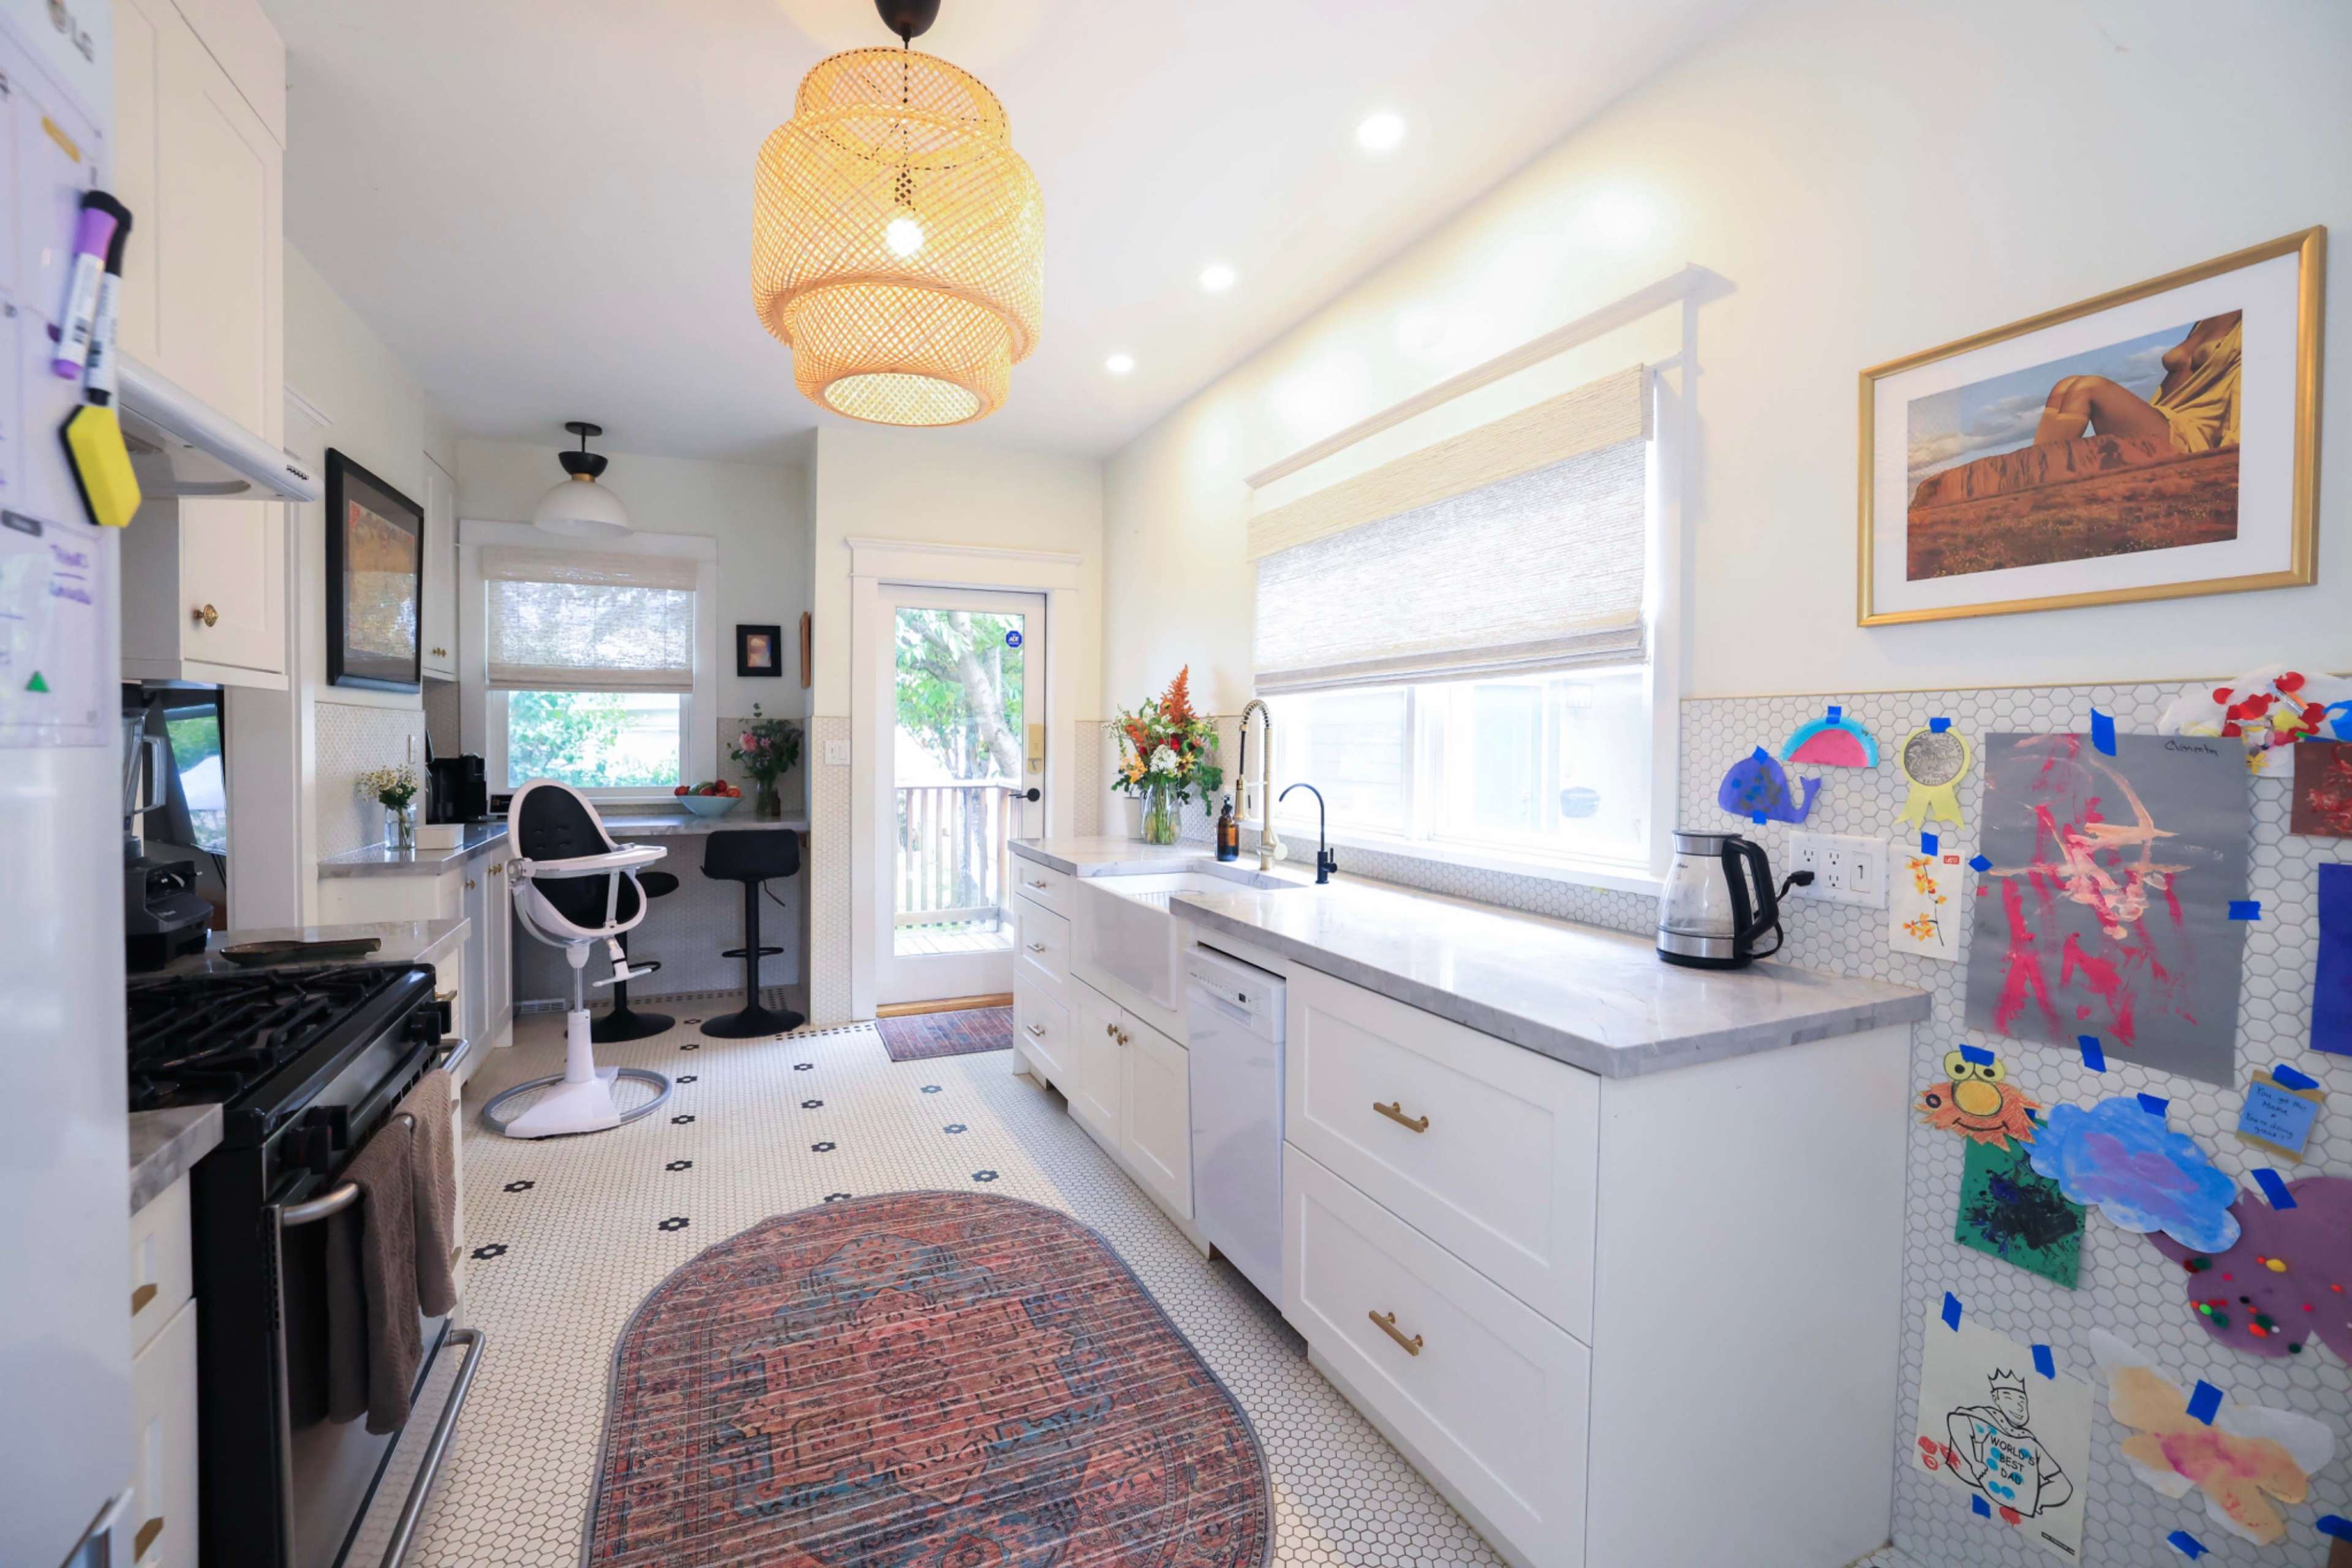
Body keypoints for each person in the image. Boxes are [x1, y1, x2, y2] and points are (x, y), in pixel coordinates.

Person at [2030, 310, 2242, 454]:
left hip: (2192, 437)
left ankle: (2039, 482)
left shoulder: (2245, 325)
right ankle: (2030, 474)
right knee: (2064, 388)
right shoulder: (2203, 321)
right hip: (2163, 416)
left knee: (2087, 390)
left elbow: (2243, 392)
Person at [1945, 1370, 2075, 1518]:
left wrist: (2036, 1500)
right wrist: (1974, 1462)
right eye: (2008, 1397)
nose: (2019, 1407)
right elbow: (1957, 1422)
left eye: (2022, 1400)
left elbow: (2063, 1485)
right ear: (1996, 1399)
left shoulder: (2028, 1441)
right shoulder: (1984, 1418)